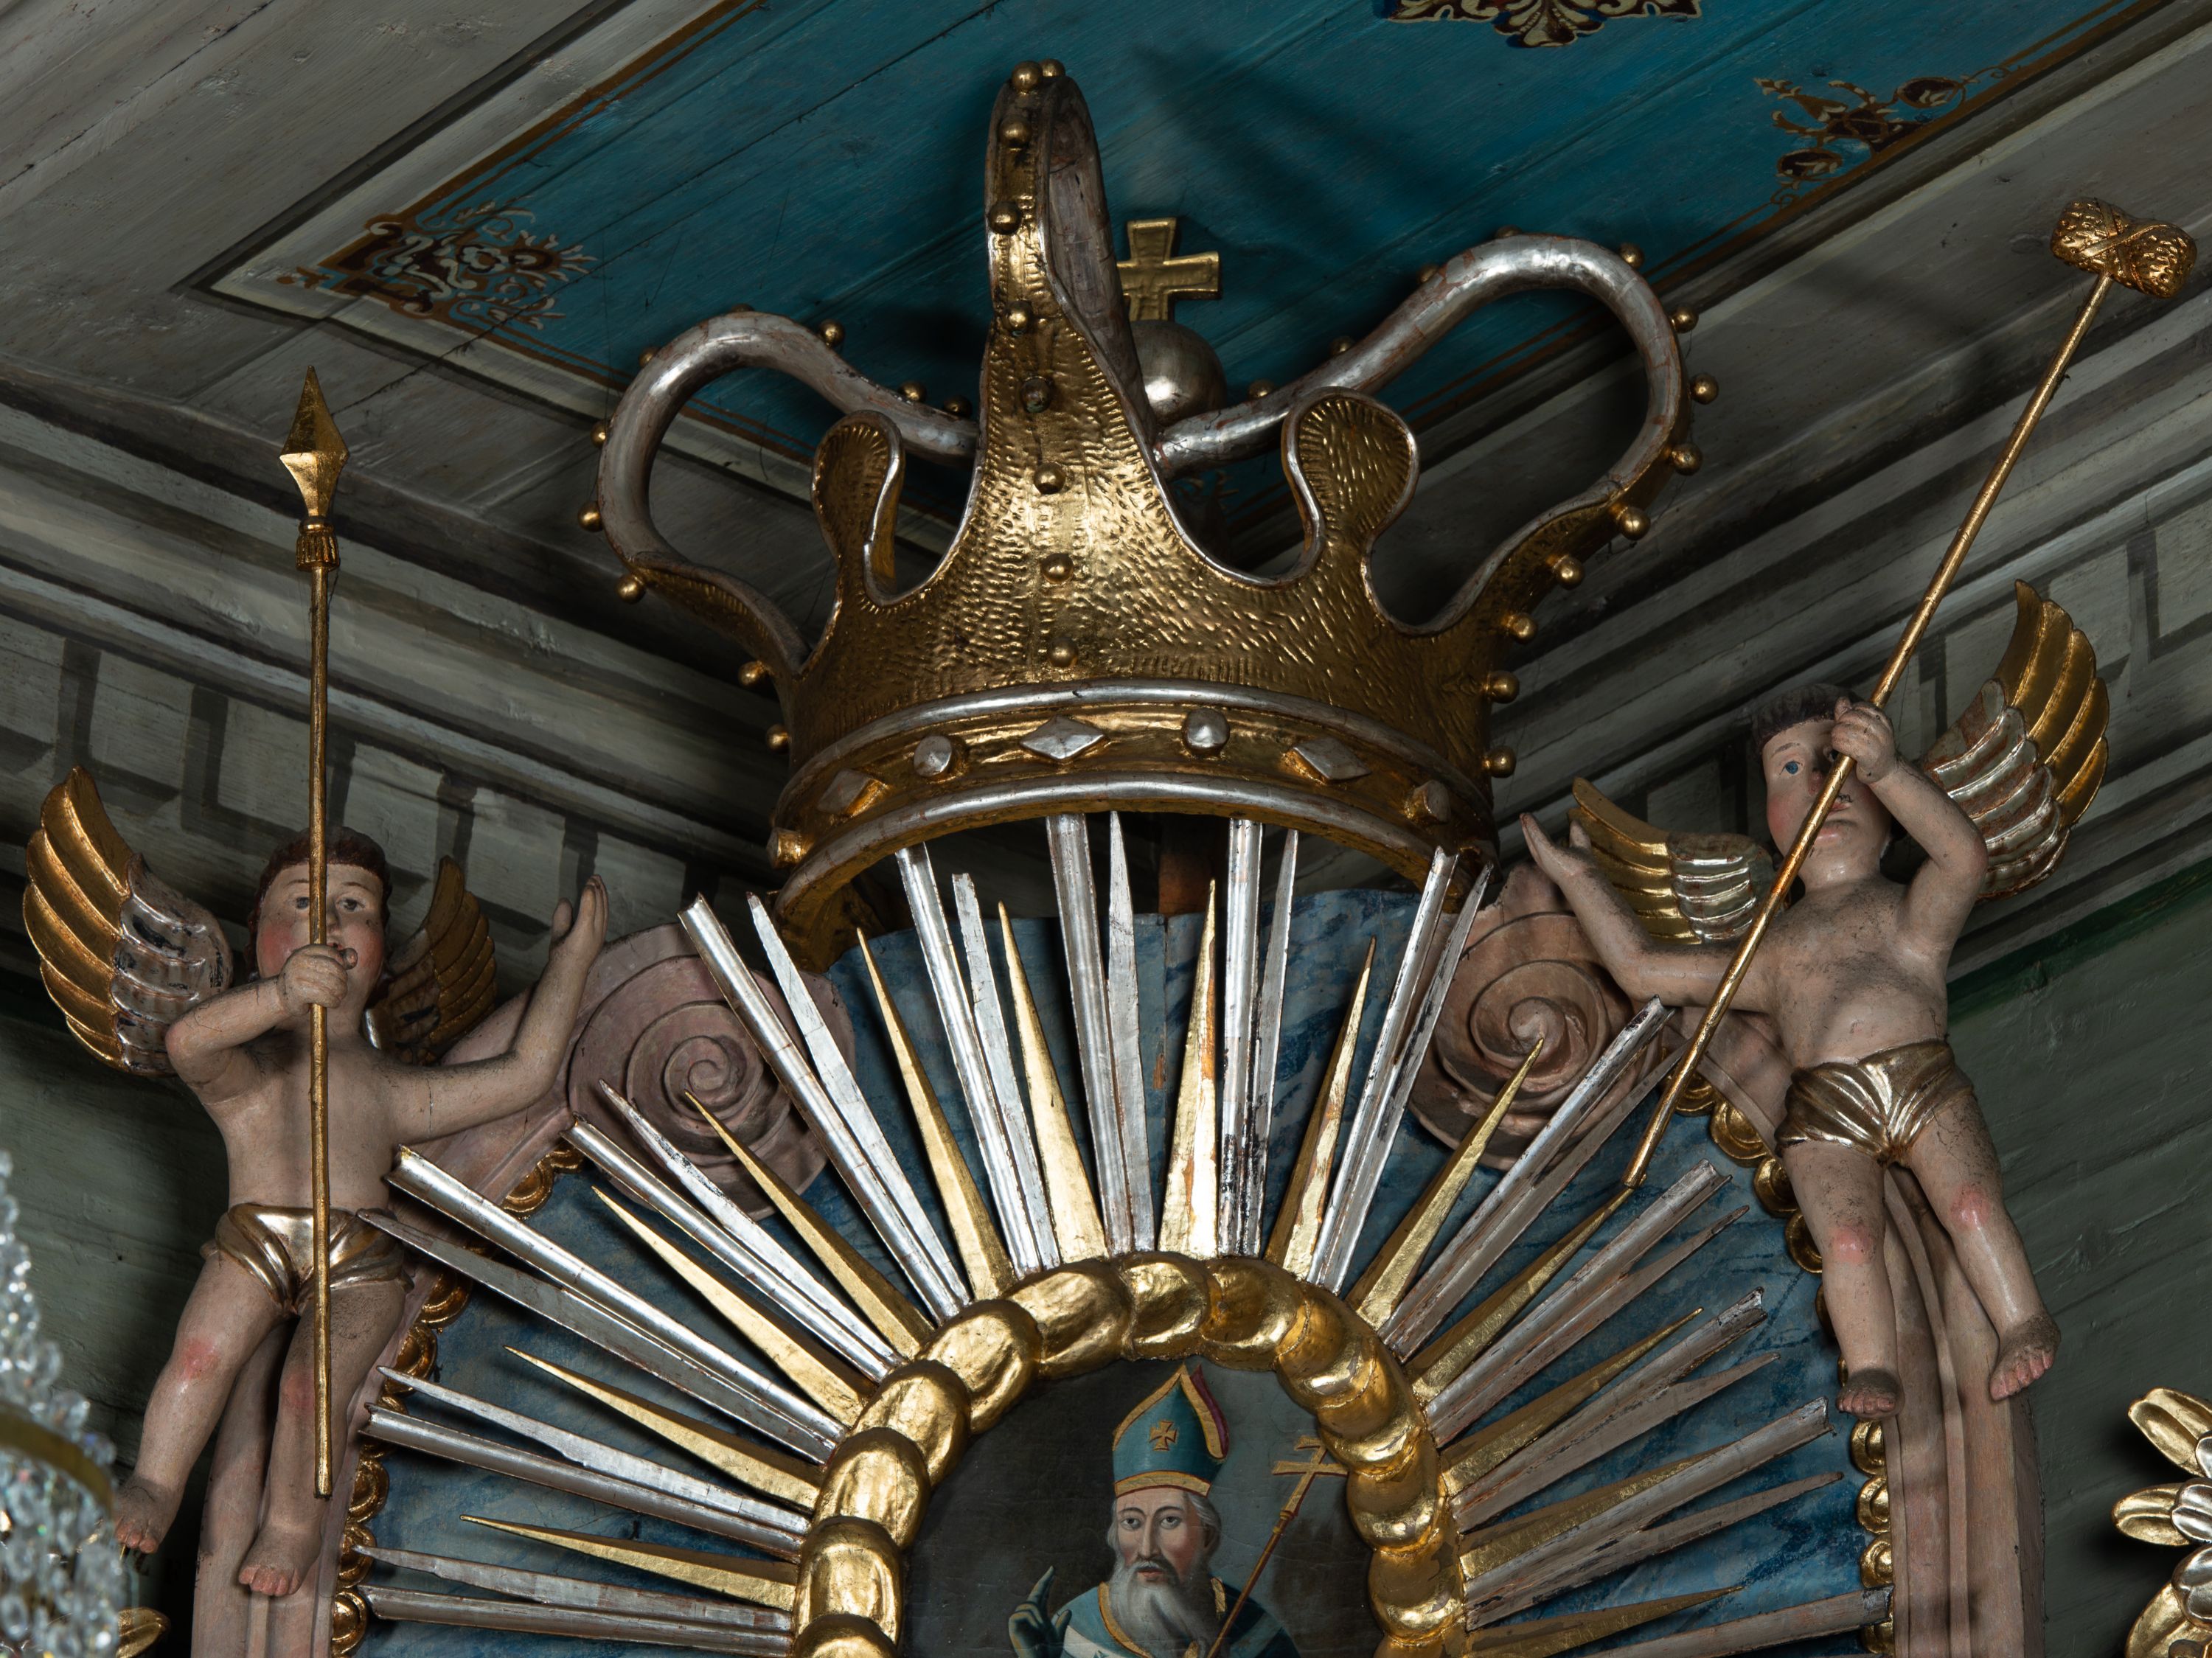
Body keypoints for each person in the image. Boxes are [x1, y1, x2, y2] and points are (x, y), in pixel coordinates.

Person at [1523, 689, 2058, 1419]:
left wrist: (1890, 769)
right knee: (1848, 1238)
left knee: (1969, 1202)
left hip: (1922, 1077)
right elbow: (1644, 972)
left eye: (1837, 763)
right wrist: (1583, 882)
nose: (1819, 788)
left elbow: (1964, 856)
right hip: (1826, 1106)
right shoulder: (1771, 950)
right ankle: (1873, 1363)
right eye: (1791, 768)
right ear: (1771, 819)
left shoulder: (1906, 912)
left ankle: (2022, 1319)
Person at [110, 828, 607, 1598]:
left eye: (353, 906)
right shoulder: (252, 1074)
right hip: (255, 1240)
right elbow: (187, 1041)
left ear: (380, 955)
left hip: (359, 1258)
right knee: (200, 1356)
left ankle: (292, 1526)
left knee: (309, 1389)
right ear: (257, 940)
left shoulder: (389, 1088)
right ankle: (156, 1482)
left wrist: (570, 965)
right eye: (303, 903)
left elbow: (525, 1074)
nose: (330, 921)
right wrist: (281, 997)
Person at [1009, 1365, 1296, 1658]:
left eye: (1170, 1520)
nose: (1147, 1549)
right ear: (1115, 1533)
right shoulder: (1074, 1631)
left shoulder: (1255, 1631)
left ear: (1207, 1536)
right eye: (1131, 1522)